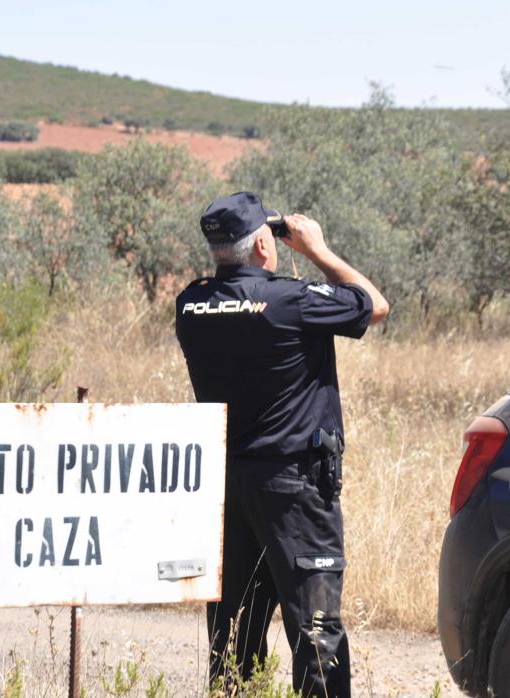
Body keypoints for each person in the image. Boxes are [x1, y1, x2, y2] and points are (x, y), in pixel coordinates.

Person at [175, 191, 389, 697]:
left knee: (232, 633)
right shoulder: (292, 301)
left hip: (228, 490)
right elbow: (375, 306)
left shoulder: (191, 304)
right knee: (315, 632)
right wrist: (318, 249)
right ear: (265, 247)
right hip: (295, 492)